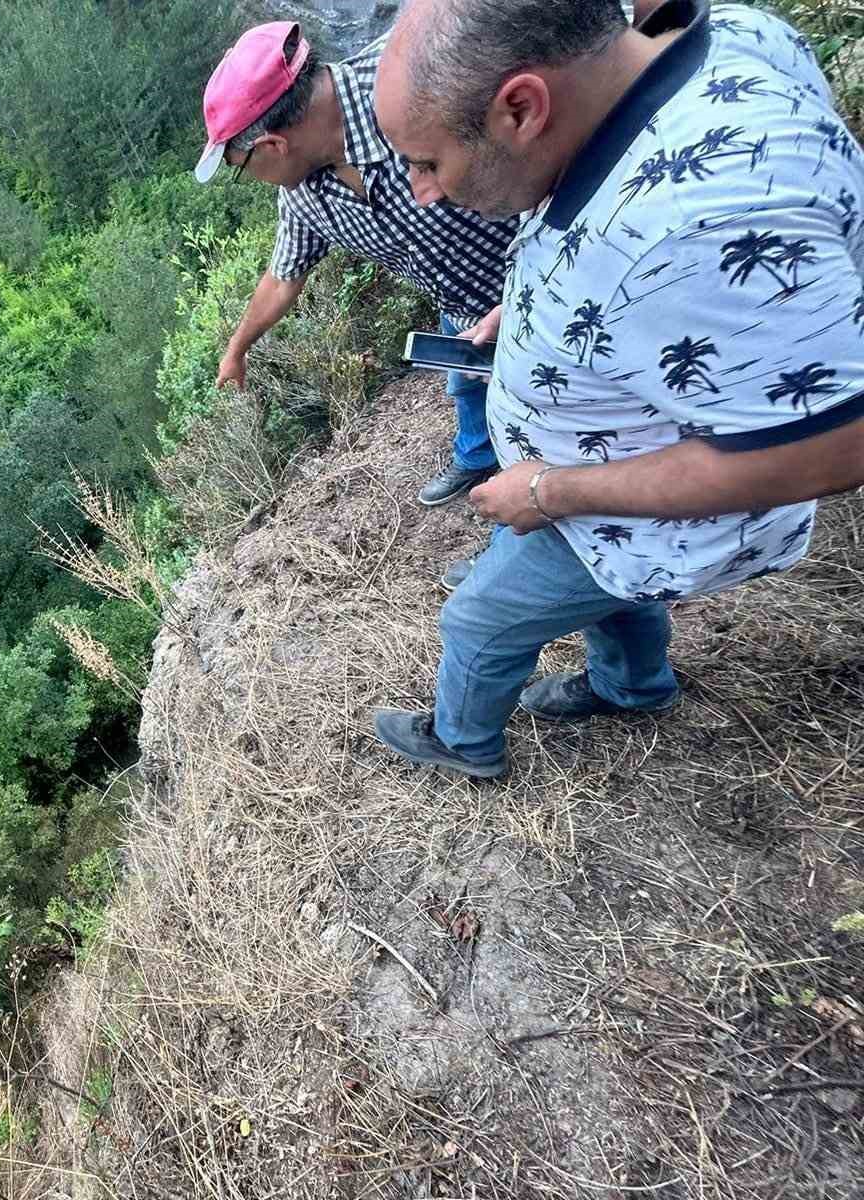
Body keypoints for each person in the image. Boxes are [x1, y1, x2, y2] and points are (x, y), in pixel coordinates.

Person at [367, 0, 864, 779]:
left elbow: (830, 446)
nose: (421, 190)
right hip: (618, 512)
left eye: (428, 162)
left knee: (481, 618)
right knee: (620, 598)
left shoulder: (695, 221)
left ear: (522, 107)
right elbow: (667, 289)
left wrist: (550, 492)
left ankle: (462, 743)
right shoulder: (722, 39)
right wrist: (536, 308)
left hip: (630, 512)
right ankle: (633, 687)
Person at [195, 21, 515, 507]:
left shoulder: (416, 72)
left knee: (544, 412)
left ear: (272, 146)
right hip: (462, 306)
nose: (251, 178)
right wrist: (236, 350)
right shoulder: (303, 192)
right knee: (466, 384)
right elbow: (281, 279)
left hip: (542, 276)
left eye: (240, 169)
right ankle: (477, 461)